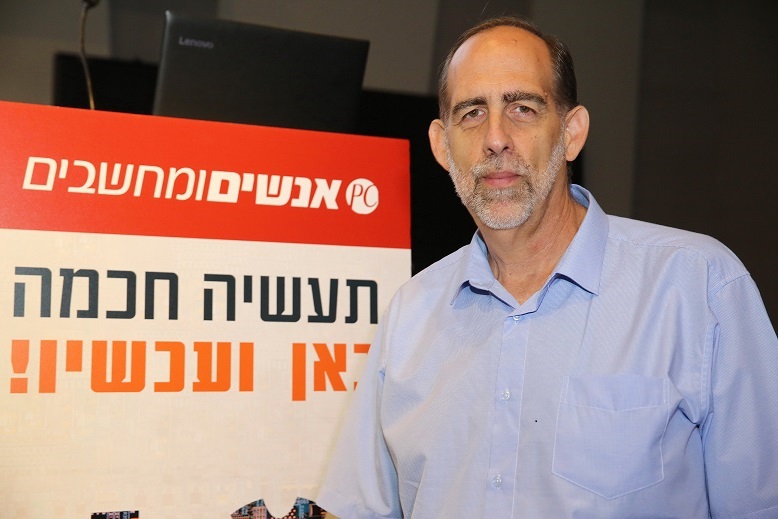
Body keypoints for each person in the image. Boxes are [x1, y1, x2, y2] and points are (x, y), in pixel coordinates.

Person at [315, 16, 778, 519]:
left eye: (523, 108)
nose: (496, 138)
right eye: (472, 112)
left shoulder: (698, 286)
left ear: (571, 133)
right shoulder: (411, 314)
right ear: (442, 146)